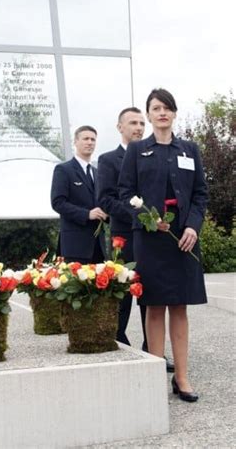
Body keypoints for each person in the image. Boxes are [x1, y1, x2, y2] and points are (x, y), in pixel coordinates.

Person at [119, 89, 207, 402]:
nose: (162, 113)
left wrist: (193, 228)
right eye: (156, 108)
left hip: (183, 239)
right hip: (151, 238)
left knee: (179, 307)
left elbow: (200, 195)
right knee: (154, 306)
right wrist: (146, 217)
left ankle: (181, 378)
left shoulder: (190, 149)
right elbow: (125, 192)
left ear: (174, 113)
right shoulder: (137, 150)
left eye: (167, 108)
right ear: (149, 114)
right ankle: (155, 374)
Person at [97, 108, 150, 350]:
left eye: (141, 123)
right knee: (123, 290)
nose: (138, 127)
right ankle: (119, 340)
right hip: (124, 235)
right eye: (132, 123)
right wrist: (138, 214)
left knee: (151, 291)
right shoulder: (108, 160)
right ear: (120, 127)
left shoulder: (152, 156)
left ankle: (153, 346)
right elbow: (106, 200)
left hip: (152, 235)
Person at [51, 125, 107, 263]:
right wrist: (87, 214)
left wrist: (107, 214)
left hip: (99, 246)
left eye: (93, 139)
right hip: (74, 246)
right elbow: (58, 203)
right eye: (85, 139)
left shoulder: (97, 172)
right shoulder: (63, 169)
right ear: (75, 142)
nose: (90, 142)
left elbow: (102, 201)